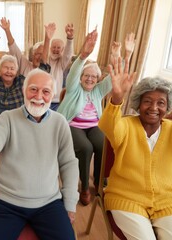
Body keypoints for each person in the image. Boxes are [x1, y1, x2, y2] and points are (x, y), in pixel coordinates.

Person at [0, 69, 79, 239]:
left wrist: (69, 203)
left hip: (49, 203)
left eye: (46, 91)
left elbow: (68, 163)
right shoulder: (7, 118)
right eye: (33, 89)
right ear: (23, 91)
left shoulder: (59, 122)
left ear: (52, 95)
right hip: (7, 203)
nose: (39, 96)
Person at [98, 56, 172, 239]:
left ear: (168, 106)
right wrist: (116, 99)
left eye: (161, 103)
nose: (154, 107)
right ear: (138, 103)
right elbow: (109, 127)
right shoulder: (126, 125)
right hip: (126, 198)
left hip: (168, 202)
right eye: (147, 101)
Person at [58, 32, 136, 206]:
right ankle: (84, 187)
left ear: (98, 79)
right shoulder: (73, 88)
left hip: (94, 125)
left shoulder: (98, 90)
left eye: (94, 76)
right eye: (87, 75)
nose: (90, 79)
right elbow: (74, 72)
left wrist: (127, 55)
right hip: (72, 124)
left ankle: (100, 182)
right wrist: (83, 56)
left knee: (103, 145)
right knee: (85, 148)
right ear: (81, 77)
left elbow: (115, 77)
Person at [48, 23, 75, 110]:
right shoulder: (46, 59)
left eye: (58, 48)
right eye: (54, 47)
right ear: (50, 48)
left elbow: (68, 54)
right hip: (45, 99)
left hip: (57, 101)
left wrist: (69, 38)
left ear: (62, 49)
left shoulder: (62, 61)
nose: (56, 49)